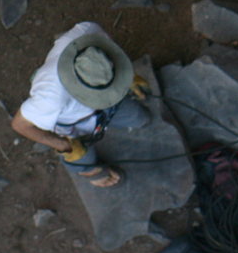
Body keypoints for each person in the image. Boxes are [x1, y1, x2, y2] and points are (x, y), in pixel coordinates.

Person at [11, 22, 149, 188]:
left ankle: (107, 110)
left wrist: (126, 79)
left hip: (106, 107)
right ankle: (88, 170)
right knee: (79, 157)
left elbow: (111, 57)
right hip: (72, 127)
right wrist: (63, 145)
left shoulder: (89, 32)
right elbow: (20, 124)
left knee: (140, 118)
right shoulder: (50, 98)